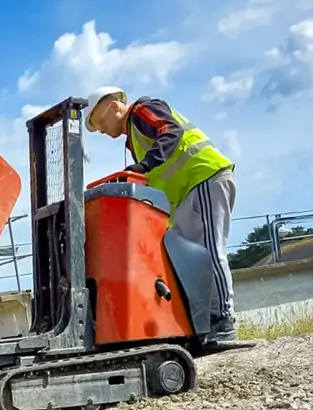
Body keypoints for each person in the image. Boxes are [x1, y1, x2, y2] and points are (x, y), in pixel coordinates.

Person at [84, 86, 238, 342]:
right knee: (188, 261)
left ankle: (223, 320)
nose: (100, 129)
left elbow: (170, 131)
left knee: (210, 251)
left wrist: (144, 165)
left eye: (99, 121)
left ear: (113, 106)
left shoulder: (143, 110)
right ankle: (203, 324)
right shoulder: (134, 138)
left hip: (204, 177)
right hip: (187, 193)